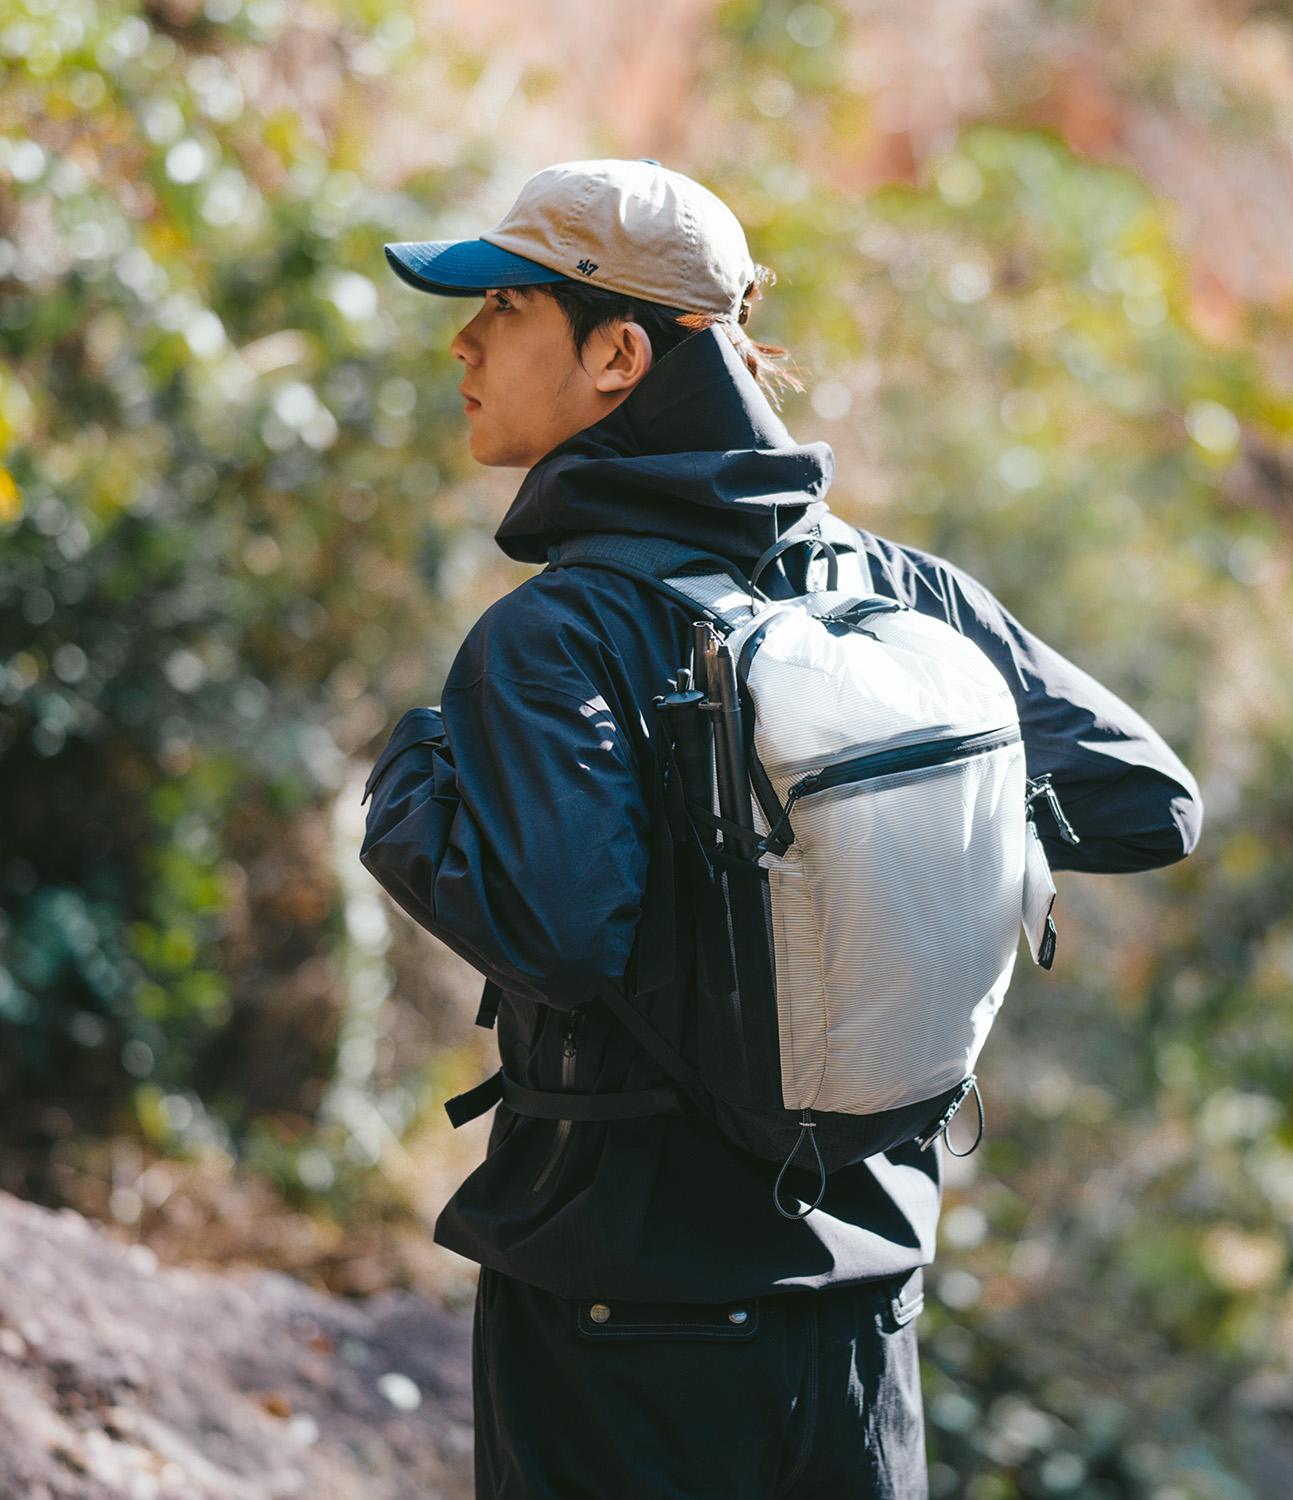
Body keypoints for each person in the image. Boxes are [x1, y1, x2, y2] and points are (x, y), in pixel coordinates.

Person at [362, 158, 1202, 1500]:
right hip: (865, 1319)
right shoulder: (899, 593)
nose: (462, 342)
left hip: (621, 1329)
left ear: (619, 354)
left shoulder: (560, 632)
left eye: (505, 307)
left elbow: (558, 939)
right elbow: (1147, 800)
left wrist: (408, 783)